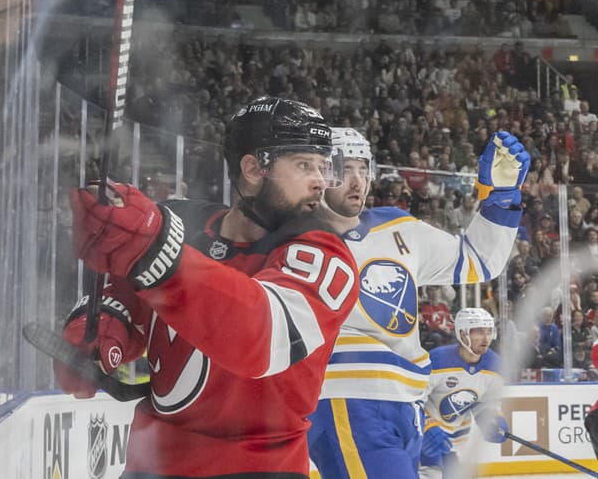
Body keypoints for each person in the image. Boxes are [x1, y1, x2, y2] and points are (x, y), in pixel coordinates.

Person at [54, 96, 360, 479]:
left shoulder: (323, 252)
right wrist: (98, 333)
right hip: (150, 465)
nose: (320, 180)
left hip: (256, 469)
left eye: (321, 166)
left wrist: (153, 251)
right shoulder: (178, 223)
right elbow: (128, 296)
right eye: (303, 165)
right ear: (253, 168)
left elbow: (259, 335)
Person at [308, 127, 529, 479]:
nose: (356, 181)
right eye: (343, 169)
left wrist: (501, 197)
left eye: (363, 169)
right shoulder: (292, 240)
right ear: (318, 171)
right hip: (346, 397)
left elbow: (478, 259)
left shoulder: (399, 229)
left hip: (405, 404)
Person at [418, 309, 508, 479]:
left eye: (489, 331)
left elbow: (486, 402)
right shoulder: (436, 360)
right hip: (427, 439)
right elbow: (414, 400)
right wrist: (427, 427)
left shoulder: (495, 365)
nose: (486, 338)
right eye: (479, 331)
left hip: (458, 442)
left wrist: (491, 419)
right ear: (463, 333)